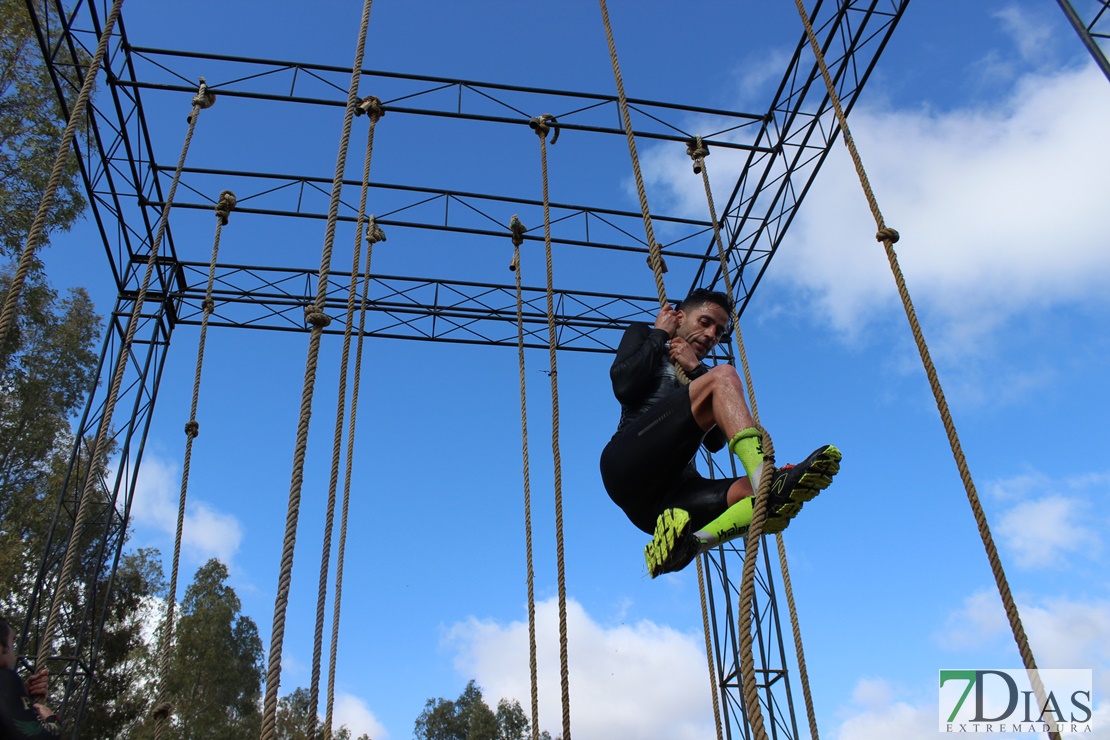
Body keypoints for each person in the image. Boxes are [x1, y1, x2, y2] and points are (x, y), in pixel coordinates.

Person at [599, 288, 841, 577]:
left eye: (719, 331)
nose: (712, 334)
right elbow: (623, 385)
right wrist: (659, 334)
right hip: (628, 465)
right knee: (725, 376)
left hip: (668, 504)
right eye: (705, 322)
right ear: (679, 316)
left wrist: (697, 369)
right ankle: (765, 480)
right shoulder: (645, 334)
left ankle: (691, 546)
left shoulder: (700, 373)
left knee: (761, 495)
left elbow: (714, 442)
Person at [0, 616, 62, 738]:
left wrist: (22, 697)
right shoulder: (5, 678)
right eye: (12, 645)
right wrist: (53, 722)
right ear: (4, 648)